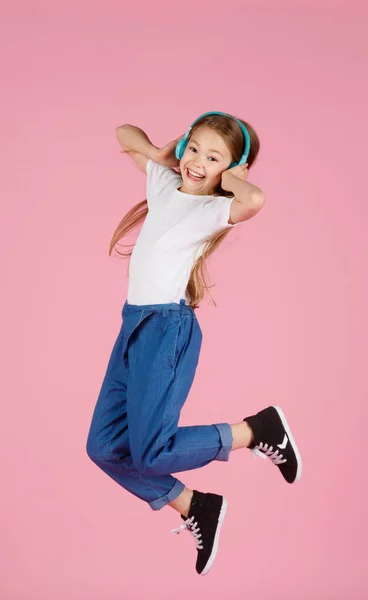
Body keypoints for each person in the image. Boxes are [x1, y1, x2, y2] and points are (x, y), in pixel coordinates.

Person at [86, 112, 302, 576]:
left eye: (214, 156)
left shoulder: (212, 210)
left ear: (231, 166)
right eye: (195, 148)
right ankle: (193, 505)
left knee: (151, 452)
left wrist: (234, 176)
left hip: (167, 329)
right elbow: (123, 133)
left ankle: (256, 430)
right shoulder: (164, 183)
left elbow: (256, 199)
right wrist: (162, 153)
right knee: (103, 447)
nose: (198, 161)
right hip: (134, 325)